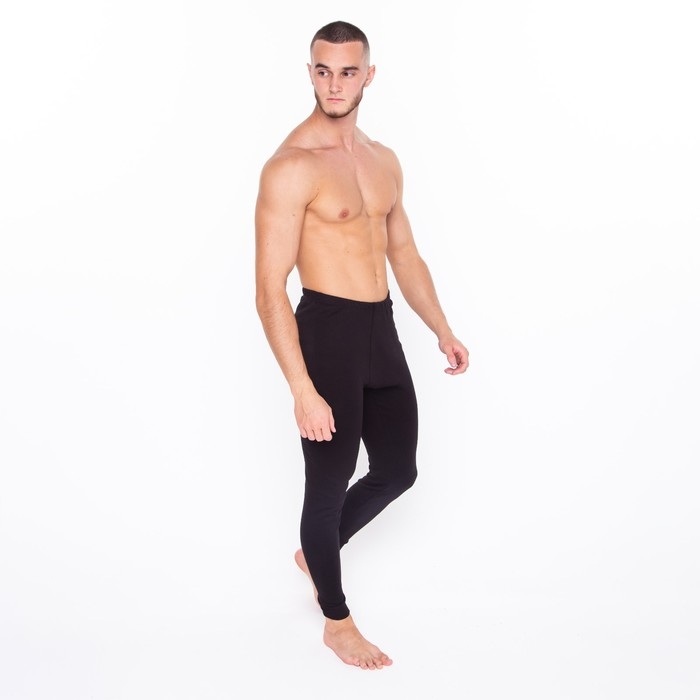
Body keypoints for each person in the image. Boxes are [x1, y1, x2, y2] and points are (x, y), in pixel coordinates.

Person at [254, 20, 469, 670]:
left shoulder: (383, 160)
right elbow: (268, 288)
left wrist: (442, 327)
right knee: (327, 483)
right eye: (323, 70)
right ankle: (336, 620)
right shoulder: (291, 167)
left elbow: (404, 254)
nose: (334, 84)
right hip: (327, 331)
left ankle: (314, 551)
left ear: (368, 76)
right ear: (310, 73)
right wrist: (301, 388)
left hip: (382, 327)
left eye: (348, 71)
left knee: (398, 470)